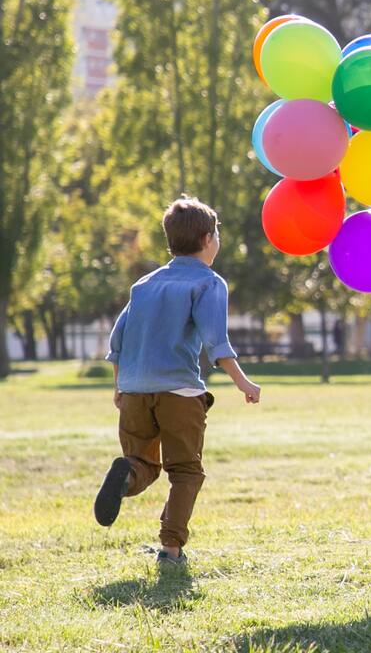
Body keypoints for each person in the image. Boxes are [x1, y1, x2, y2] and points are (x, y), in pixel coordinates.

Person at [94, 197, 262, 566]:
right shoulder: (208, 283)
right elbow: (216, 342)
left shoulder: (144, 284)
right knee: (185, 471)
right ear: (207, 239)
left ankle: (126, 475)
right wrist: (244, 383)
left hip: (135, 391)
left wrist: (119, 386)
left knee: (142, 462)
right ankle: (170, 549)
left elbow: (117, 341)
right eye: (217, 235)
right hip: (179, 392)